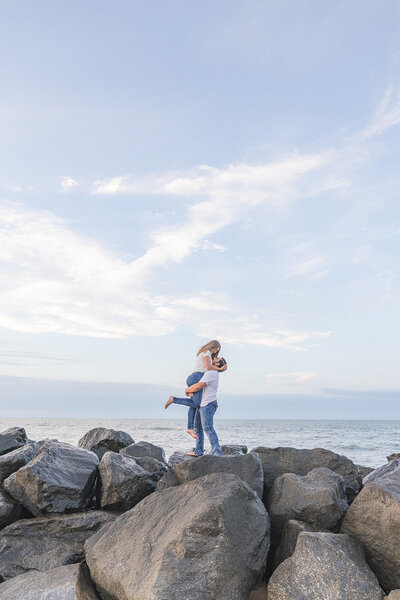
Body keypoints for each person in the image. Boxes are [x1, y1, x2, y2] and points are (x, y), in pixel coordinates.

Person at [164, 340, 226, 439]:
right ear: (212, 346)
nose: (215, 353)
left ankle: (190, 428)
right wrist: (221, 369)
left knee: (194, 404)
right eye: (216, 350)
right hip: (197, 377)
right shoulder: (207, 353)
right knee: (196, 404)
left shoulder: (203, 352)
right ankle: (173, 399)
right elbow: (208, 367)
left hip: (195, 377)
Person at [185, 355, 226, 456]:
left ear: (217, 364)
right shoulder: (209, 372)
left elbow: (198, 386)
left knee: (208, 428)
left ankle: (217, 453)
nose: (214, 357)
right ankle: (198, 451)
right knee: (197, 428)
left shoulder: (212, 372)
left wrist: (187, 390)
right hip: (203, 403)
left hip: (208, 404)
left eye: (216, 358)